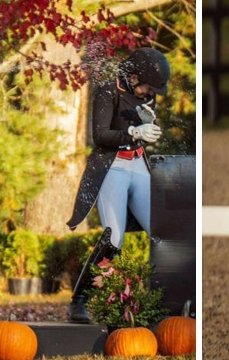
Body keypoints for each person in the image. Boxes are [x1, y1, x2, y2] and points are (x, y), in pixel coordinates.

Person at [64, 47, 170, 324]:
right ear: (134, 77)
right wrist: (134, 131)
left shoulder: (146, 96)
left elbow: (145, 129)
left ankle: (166, 298)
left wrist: (149, 127)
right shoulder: (108, 92)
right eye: (147, 86)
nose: (150, 94)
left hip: (137, 165)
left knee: (162, 232)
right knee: (114, 238)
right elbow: (100, 136)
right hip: (113, 168)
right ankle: (80, 300)